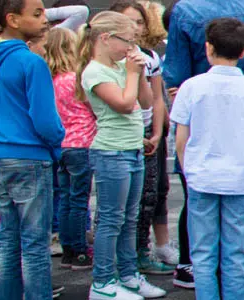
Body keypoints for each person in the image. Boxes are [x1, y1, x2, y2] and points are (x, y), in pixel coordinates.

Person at [163, 0, 244, 296]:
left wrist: (187, 167)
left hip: (201, 155)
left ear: (207, 47)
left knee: (202, 250)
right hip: (242, 158)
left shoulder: (185, 11)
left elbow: (175, 72)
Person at [79, 10, 167, 300]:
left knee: (130, 218)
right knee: (111, 220)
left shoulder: (121, 67)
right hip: (110, 153)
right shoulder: (94, 71)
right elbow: (125, 104)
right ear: (105, 38)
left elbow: (144, 100)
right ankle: (102, 282)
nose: (132, 49)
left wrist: (139, 72)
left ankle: (129, 275)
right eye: (128, 42)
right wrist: (131, 72)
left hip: (131, 150)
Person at [0, 0, 65, 297]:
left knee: (6, 241)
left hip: (0, 156)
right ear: (12, 19)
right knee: (35, 245)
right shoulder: (31, 62)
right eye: (37, 14)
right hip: (30, 157)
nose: (45, 20)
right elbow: (46, 121)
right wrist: (57, 142)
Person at [108, 0, 176, 275]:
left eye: (139, 22)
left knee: (155, 191)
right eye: (128, 22)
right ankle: (127, 258)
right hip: (123, 134)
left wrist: (158, 131)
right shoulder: (109, 58)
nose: (135, 28)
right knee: (125, 201)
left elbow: (155, 98)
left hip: (150, 132)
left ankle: (146, 250)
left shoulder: (148, 55)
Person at [43, 27, 96, 271]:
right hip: (82, 144)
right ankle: (80, 251)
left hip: (61, 145)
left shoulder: (49, 81)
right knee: (79, 201)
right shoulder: (76, 78)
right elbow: (94, 107)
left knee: (64, 199)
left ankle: (67, 249)